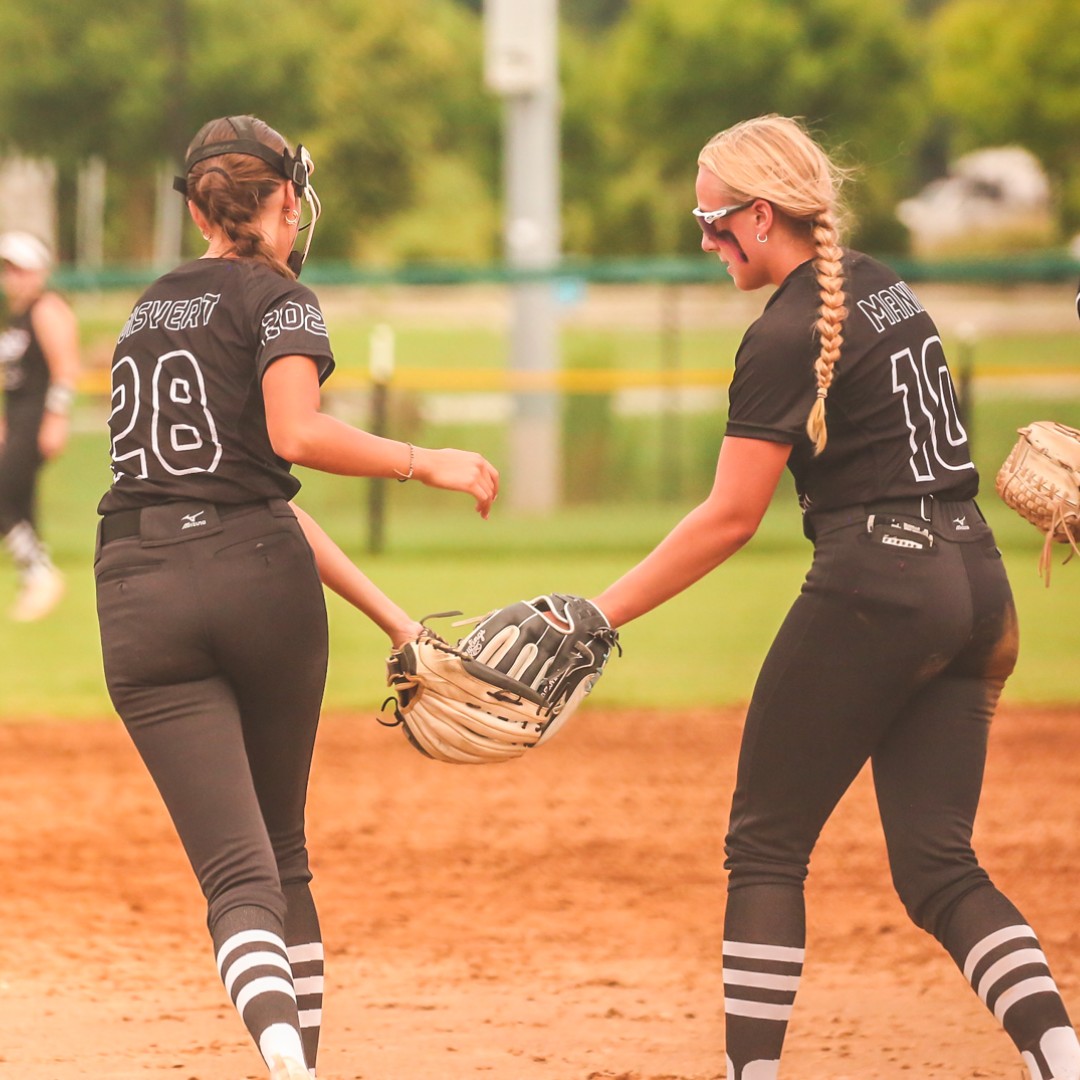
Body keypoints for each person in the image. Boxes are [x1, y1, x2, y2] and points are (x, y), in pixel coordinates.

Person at [588, 115, 1080, 1080]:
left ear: (762, 215)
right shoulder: (887, 285)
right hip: (979, 588)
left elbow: (730, 518)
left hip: (878, 588)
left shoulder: (779, 336)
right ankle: (1062, 1060)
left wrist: (598, 612)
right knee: (940, 865)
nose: (705, 239)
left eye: (714, 220)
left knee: (765, 848)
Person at [94, 115, 499, 1080]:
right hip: (259, 582)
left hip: (139, 594)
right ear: (288, 200)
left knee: (236, 878)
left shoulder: (144, 312)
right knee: (282, 854)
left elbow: (236, 486)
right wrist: (425, 459)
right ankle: (297, 1053)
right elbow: (295, 439)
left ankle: (283, 1056)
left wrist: (394, 616)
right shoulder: (280, 296)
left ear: (196, 208)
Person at [0, 231, 79, 620]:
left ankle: (41, 573)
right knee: (18, 500)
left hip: (36, 415)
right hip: (16, 418)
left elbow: (65, 369)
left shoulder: (46, 309)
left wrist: (55, 419)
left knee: (5, 495)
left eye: (21, 269)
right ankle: (36, 576)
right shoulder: (14, 317)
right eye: (8, 270)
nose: (14, 278)